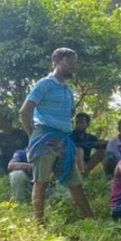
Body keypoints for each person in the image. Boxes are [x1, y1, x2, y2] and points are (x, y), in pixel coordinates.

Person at [19, 47, 93, 221]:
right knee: (41, 182)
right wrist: (33, 136)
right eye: (69, 63)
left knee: (75, 183)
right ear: (56, 62)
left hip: (62, 140)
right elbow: (24, 112)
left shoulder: (68, 90)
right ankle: (38, 224)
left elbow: (69, 114)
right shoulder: (45, 84)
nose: (72, 67)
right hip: (44, 138)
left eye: (74, 63)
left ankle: (91, 221)